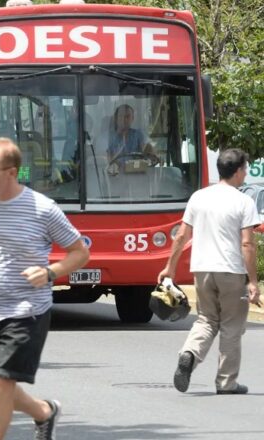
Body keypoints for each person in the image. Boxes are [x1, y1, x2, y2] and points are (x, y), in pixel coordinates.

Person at [0, 138, 89, 440]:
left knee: (1, 386)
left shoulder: (43, 209)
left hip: (27, 311)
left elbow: (80, 252)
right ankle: (45, 412)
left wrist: (50, 272)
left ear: (11, 172)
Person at [157, 148, 261, 395]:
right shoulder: (243, 201)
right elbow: (247, 243)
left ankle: (189, 353)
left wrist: (169, 268)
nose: (246, 173)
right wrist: (253, 281)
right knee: (231, 325)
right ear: (237, 172)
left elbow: (181, 235)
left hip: (202, 270)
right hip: (230, 271)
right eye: (245, 169)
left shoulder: (199, 197)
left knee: (206, 319)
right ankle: (226, 382)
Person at [106, 104, 158, 173]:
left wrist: (152, 155)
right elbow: (105, 159)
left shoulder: (138, 134)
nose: (124, 119)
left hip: (136, 174)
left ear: (132, 118)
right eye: (121, 116)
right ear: (116, 118)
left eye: (127, 116)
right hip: (115, 175)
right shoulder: (108, 137)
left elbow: (148, 150)